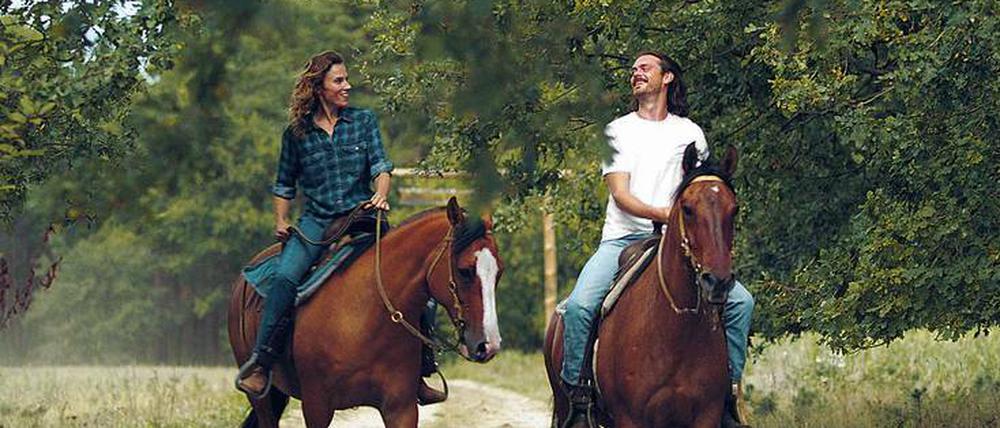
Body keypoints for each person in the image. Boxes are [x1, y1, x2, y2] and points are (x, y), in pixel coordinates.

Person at [235, 51, 445, 405]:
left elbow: (380, 164)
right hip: (316, 223)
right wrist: (281, 220)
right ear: (319, 88)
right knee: (285, 278)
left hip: (363, 217)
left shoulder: (363, 120)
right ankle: (262, 363)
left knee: (417, 274)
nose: (347, 86)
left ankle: (421, 368)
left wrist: (380, 194)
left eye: (346, 80)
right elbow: (284, 184)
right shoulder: (296, 134)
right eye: (339, 81)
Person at [559, 51, 754, 425]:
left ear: (667, 78)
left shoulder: (689, 133)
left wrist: (688, 223)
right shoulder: (618, 130)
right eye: (634, 69)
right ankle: (578, 401)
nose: (636, 73)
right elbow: (621, 195)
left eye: (645, 67)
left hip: (680, 243)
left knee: (741, 303)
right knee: (581, 306)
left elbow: (699, 189)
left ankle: (727, 396)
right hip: (623, 238)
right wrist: (666, 214)